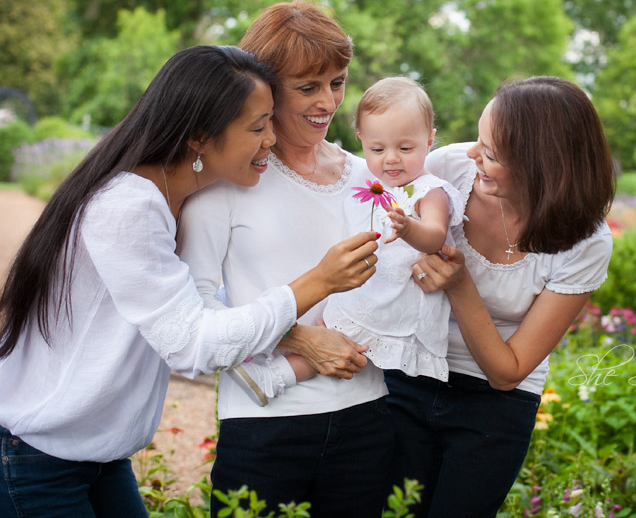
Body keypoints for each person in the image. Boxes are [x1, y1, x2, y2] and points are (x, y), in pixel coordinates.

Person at [0, 45, 379, 517]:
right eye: (259, 127)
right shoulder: (126, 209)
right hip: (39, 458)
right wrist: (317, 283)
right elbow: (190, 345)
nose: (271, 141)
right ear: (200, 137)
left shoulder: (170, 198)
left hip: (99, 459)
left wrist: (294, 336)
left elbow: (199, 308)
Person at [176, 0, 393, 517]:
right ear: (264, 88)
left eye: (337, 82)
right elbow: (192, 312)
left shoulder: (371, 178)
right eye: (308, 87)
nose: (328, 101)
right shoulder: (225, 183)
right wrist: (300, 337)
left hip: (369, 417)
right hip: (263, 426)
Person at [385, 76, 616, 517]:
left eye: (490, 153)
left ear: (540, 166)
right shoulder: (449, 169)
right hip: (412, 367)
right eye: (479, 139)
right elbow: (390, 240)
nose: (473, 154)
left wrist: (458, 284)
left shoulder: (586, 243)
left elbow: (507, 372)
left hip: (496, 404)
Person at [245, 76, 463, 396]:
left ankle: (277, 377)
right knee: (334, 333)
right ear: (361, 140)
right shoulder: (374, 182)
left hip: (401, 296)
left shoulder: (430, 190)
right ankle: (272, 370)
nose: (391, 158)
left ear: (429, 140)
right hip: (372, 289)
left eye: (405, 148)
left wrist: (409, 228)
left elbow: (435, 237)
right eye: (377, 148)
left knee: (352, 344)